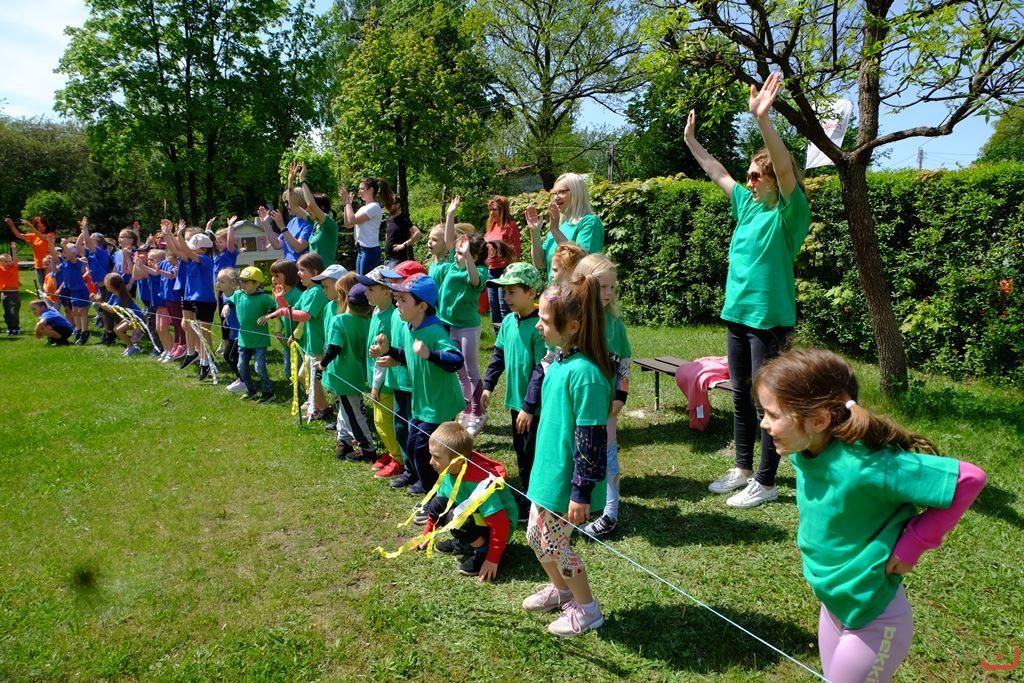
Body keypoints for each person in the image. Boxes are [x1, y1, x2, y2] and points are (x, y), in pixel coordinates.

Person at [753, 348, 986, 683]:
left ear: (819, 420)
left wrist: (913, 545)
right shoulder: (804, 451)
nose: (764, 423)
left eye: (773, 415)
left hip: (875, 621)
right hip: (834, 607)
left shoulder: (867, 466)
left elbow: (969, 480)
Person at [684, 73, 812, 509]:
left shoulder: (789, 215)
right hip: (737, 315)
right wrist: (692, 142)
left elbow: (786, 167)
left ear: (774, 179)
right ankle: (742, 468)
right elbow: (716, 171)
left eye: (758, 176)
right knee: (740, 394)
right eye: (750, 176)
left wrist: (763, 121)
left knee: (767, 401)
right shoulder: (746, 206)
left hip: (769, 320)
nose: (750, 181)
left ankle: (766, 480)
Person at [521, 275, 613, 638]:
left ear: (572, 326)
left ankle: (587, 609)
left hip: (567, 483)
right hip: (547, 476)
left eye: (545, 320)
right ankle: (561, 591)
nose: (538, 325)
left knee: (555, 545)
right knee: (535, 536)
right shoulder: (557, 363)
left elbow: (591, 440)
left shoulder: (586, 375)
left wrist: (581, 491)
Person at [372, 273, 464, 495]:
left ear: (422, 306)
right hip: (421, 403)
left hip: (439, 404)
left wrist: (430, 354)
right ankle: (426, 484)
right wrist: (389, 351)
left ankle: (434, 492)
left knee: (424, 450)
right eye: (397, 298)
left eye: (403, 300)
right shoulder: (409, 327)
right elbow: (409, 356)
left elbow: (456, 360)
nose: (397, 303)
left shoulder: (434, 331)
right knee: (413, 446)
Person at [481, 262, 546, 520]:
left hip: (534, 407)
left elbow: (541, 370)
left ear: (531, 293)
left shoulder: (539, 326)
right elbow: (498, 356)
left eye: (512, 292)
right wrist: (488, 386)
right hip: (516, 404)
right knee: (520, 449)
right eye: (504, 292)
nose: (506, 297)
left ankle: (536, 500)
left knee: (533, 452)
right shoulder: (508, 321)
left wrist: (529, 407)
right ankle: (528, 493)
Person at [574, 254, 631, 539]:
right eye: (602, 287)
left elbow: (624, 363)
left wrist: (620, 396)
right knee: (576, 451)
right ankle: (576, 502)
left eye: (612, 287)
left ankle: (610, 513)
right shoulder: (573, 321)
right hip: (577, 404)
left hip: (605, 406)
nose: (608, 293)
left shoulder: (614, 325)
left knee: (607, 455)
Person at [416, 421, 519, 580]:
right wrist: (427, 533)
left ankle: (483, 551)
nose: (430, 462)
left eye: (436, 457)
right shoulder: (449, 471)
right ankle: (465, 543)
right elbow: (440, 504)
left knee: (457, 518)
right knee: (438, 505)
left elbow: (501, 524)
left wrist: (492, 559)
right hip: (473, 517)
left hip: (496, 530)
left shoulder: (480, 483)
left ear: (458, 460)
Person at [261, 256, 338, 420]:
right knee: (305, 377)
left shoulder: (316, 292)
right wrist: (280, 300)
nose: (298, 274)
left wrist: (283, 311)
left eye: (302, 270)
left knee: (319, 379)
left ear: (314, 272)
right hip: (310, 344)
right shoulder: (308, 292)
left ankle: (325, 407)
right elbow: (292, 312)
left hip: (318, 344)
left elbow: (305, 315)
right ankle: (322, 406)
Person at [435, 224, 489, 436]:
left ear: (474, 257)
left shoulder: (479, 271)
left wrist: (467, 258)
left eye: (462, 253)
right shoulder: (452, 267)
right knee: (459, 372)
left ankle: (478, 413)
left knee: (471, 370)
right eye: (457, 253)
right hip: (449, 325)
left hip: (467, 327)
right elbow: (449, 241)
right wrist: (450, 215)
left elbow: (475, 281)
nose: (456, 256)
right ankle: (467, 409)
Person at [356, 266, 406, 479]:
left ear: (387, 292)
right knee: (382, 422)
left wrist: (376, 385)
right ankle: (392, 451)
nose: (365, 292)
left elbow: (383, 358)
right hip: (377, 380)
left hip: (385, 382)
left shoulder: (389, 317)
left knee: (384, 423)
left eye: (370, 289)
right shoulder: (377, 312)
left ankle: (399, 459)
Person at [320, 278, 376, 460]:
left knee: (353, 414)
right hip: (357, 374)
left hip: (343, 375)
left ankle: (368, 448)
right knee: (344, 410)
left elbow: (334, 347)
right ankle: (344, 441)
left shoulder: (339, 320)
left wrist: (323, 363)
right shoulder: (366, 321)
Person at [162, 220, 218, 380]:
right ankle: (191, 353)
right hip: (189, 297)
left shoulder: (206, 259)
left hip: (204, 300)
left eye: (194, 247)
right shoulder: (191, 259)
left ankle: (206, 362)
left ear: (204, 249)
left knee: (203, 332)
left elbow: (184, 249)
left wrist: (179, 233)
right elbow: (175, 250)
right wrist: (167, 234)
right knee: (188, 325)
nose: (189, 249)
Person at [526, 173, 604, 280]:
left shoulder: (590, 222)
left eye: (562, 192)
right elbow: (540, 264)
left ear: (577, 192)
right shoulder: (561, 225)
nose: (556, 198)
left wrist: (555, 230)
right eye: (554, 193)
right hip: (555, 290)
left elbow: (582, 264)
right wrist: (535, 232)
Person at [224, 266, 277, 402]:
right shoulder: (238, 294)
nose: (242, 284)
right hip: (244, 340)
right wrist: (226, 306)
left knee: (259, 367)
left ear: (257, 284)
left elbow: (275, 308)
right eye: (241, 281)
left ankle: (268, 392)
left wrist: (268, 316)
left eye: (246, 281)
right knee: (241, 367)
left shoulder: (263, 298)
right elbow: (229, 300)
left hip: (259, 340)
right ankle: (250, 389)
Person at [259, 163, 313, 262]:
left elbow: (298, 248)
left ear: (299, 201)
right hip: (288, 267)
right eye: (284, 203)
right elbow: (277, 244)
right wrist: (266, 223)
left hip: (300, 268)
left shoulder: (309, 222)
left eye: (288, 202)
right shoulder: (292, 222)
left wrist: (282, 227)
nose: (286, 205)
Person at [483, 195, 521, 325]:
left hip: (504, 271)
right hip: (491, 271)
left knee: (504, 306)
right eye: (490, 210)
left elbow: (515, 252)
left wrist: (511, 274)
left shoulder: (510, 226)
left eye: (495, 209)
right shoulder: (492, 226)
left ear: (503, 209)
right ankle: (498, 336)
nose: (491, 213)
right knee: (493, 307)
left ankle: (508, 333)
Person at [339, 177, 390, 275]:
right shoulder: (363, 208)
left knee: (364, 281)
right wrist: (346, 204)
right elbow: (348, 224)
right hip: (361, 250)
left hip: (370, 251)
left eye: (362, 189)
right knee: (360, 280)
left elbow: (352, 219)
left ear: (371, 190)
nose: (359, 191)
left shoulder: (374, 207)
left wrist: (348, 202)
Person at [293, 163, 340, 266]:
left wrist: (302, 179)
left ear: (321, 208)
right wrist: (290, 182)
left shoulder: (329, 223)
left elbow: (311, 204)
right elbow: (294, 207)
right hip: (313, 273)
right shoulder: (315, 223)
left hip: (325, 273)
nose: (307, 209)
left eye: (310, 208)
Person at [268, 259, 301, 381]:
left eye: (277, 276)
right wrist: (278, 330)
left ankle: (305, 391)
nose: (273, 279)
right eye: (272, 275)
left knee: (300, 373)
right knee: (288, 372)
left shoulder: (297, 295)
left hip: (299, 341)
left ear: (289, 276)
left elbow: (304, 319)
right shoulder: (278, 293)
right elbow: (279, 314)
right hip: (287, 341)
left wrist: (295, 334)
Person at [100, 272, 144, 356]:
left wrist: (100, 302)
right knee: (116, 329)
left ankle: (132, 347)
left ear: (110, 285)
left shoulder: (121, 296)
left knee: (118, 330)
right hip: (130, 318)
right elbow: (109, 305)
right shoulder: (115, 294)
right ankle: (131, 346)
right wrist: (99, 302)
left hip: (137, 319)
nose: (105, 284)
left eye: (106, 282)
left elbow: (112, 310)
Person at [5, 216, 56, 288]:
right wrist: (12, 225)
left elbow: (42, 237)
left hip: (50, 265)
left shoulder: (51, 234)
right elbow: (19, 235)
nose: (42, 228)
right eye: (39, 226)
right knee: (43, 287)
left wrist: (31, 226)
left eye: (43, 226)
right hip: (39, 266)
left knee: (51, 286)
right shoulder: (33, 236)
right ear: (36, 227)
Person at [383, 193, 421, 266]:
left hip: (398, 260)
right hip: (388, 259)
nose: (388, 206)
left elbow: (417, 233)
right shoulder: (389, 219)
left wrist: (404, 245)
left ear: (398, 205)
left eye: (391, 203)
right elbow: (388, 234)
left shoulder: (403, 219)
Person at [1, 242, 22, 335]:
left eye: (9, 261)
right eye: (5, 261)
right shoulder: (1, 269)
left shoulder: (14, 267)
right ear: (1, 263)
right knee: (7, 312)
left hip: (15, 293)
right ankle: (9, 327)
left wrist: (14, 249)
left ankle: (15, 328)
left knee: (14, 311)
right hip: (5, 293)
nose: (8, 263)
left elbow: (15, 260)